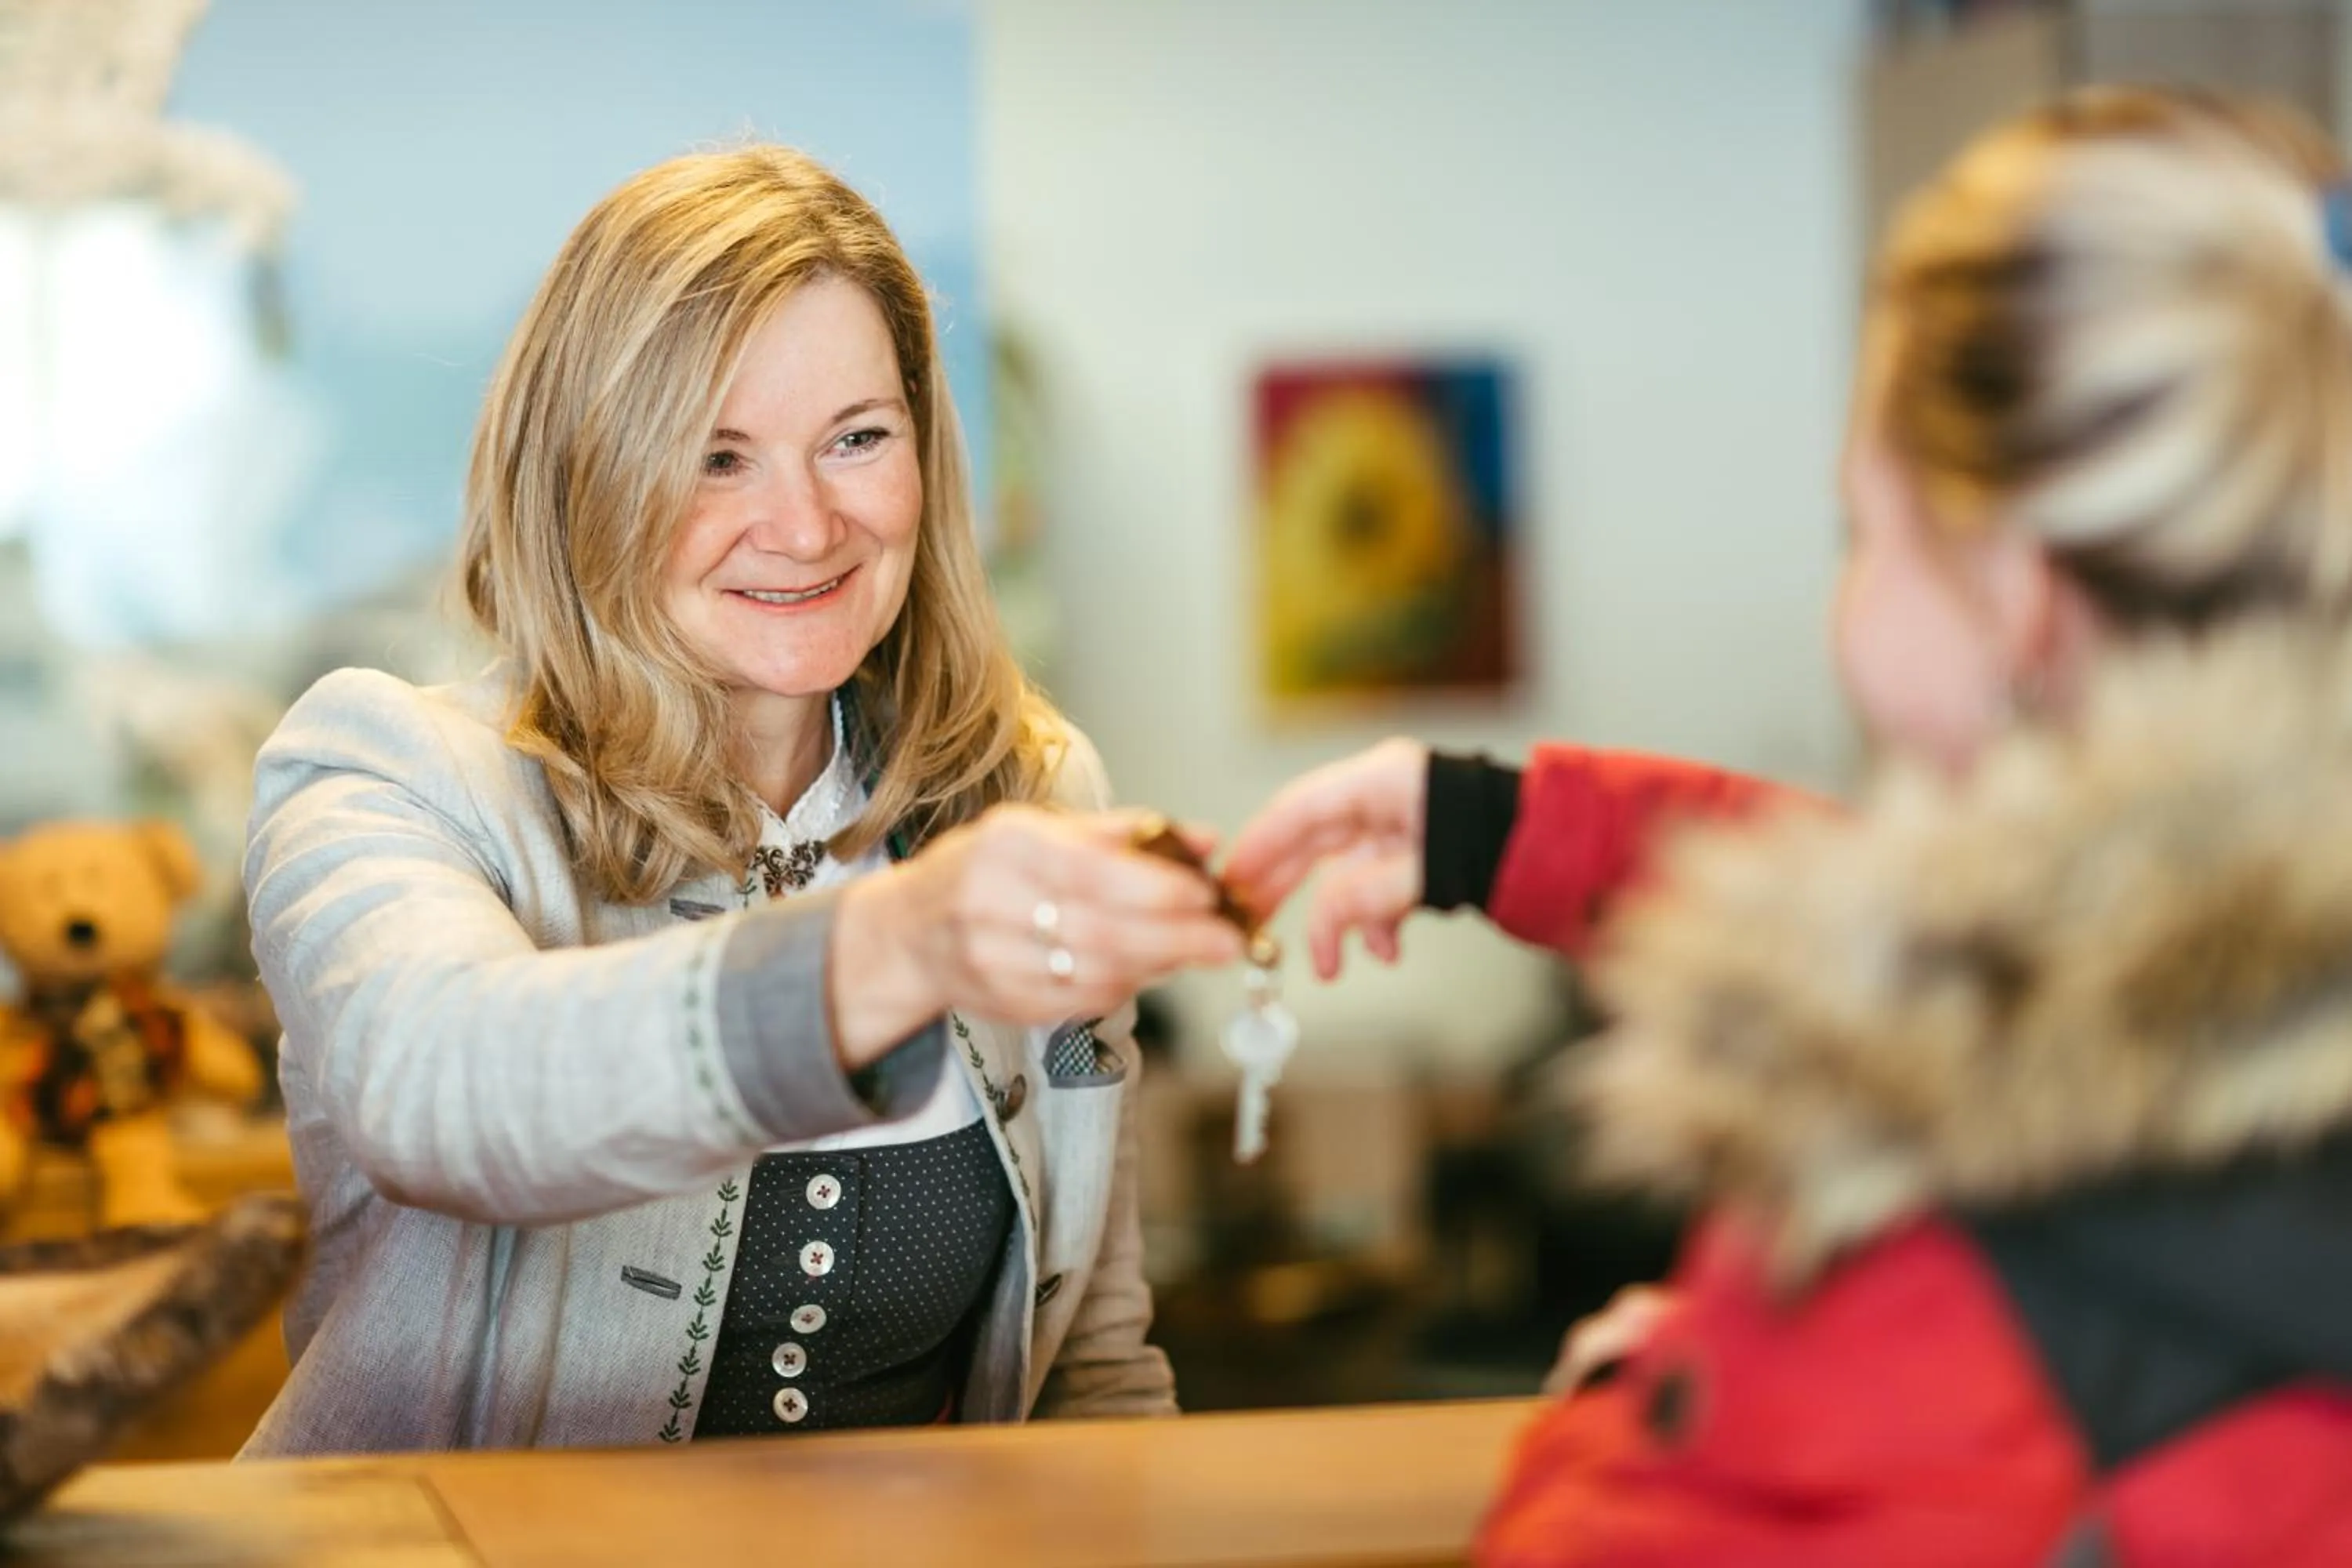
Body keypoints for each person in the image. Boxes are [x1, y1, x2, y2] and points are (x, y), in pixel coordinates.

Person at [1227, 88, 2352, 1563]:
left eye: (1864, 532)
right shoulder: (2255, 965)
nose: (1849, 598)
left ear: (2013, 595)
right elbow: (1970, 906)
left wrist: (1647, 1386)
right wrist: (1491, 827)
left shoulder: (1936, 1244)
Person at [241, 145, 1245, 1455]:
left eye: (858, 440)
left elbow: (1094, 1363)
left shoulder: (1035, 792)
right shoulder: (390, 772)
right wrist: (896, 945)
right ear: (587, 474)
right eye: (717, 457)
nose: (807, 522)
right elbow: (441, 1094)